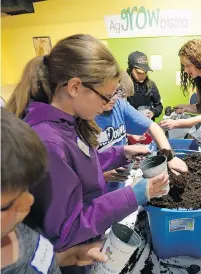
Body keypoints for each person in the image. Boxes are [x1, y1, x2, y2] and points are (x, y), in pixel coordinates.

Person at [5, 34, 169, 258]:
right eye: (105, 97)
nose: (106, 106)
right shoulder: (48, 142)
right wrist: (135, 195)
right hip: (74, 256)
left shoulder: (69, 123)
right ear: (74, 87)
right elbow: (67, 229)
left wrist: (121, 152)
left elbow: (78, 166)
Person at [1, 109, 109, 273]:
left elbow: (33, 260)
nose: (29, 201)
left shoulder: (18, 225)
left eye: (26, 190)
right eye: (10, 204)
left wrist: (71, 256)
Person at [95, 71, 187, 191]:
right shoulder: (85, 117)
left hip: (119, 185)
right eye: (110, 95)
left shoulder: (120, 105)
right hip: (95, 193)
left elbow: (153, 127)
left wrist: (170, 157)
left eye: (118, 94)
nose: (115, 99)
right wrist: (100, 176)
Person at [126, 51, 163, 120]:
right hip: (130, 126)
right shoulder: (124, 85)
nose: (143, 76)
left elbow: (159, 106)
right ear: (131, 69)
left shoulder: (151, 85)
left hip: (147, 125)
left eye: (145, 72)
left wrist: (153, 112)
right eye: (139, 73)